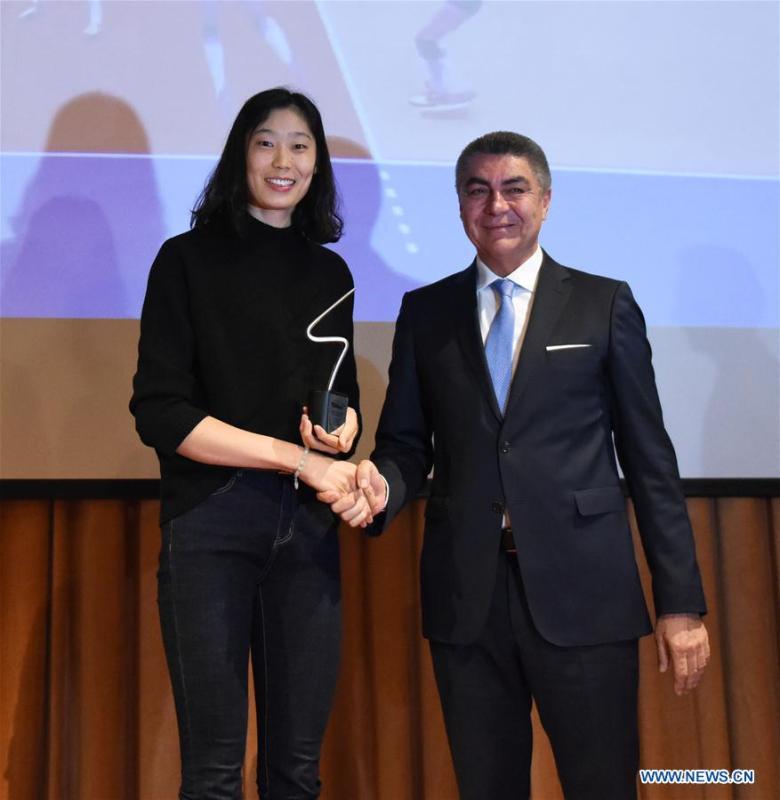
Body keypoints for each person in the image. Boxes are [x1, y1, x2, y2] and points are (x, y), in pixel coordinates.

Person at [323, 131, 711, 799]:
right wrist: (382, 485)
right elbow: (408, 444)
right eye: (477, 190)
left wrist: (681, 606)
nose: (495, 204)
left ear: (546, 201)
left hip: (585, 595)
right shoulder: (426, 313)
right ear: (460, 207)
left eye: (514, 188)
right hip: (468, 597)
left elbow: (651, 463)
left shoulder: (603, 304)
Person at [130, 88, 362, 799]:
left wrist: (341, 429)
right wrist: (295, 458)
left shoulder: (331, 272)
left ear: (317, 163)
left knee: (297, 772)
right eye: (266, 142)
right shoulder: (186, 261)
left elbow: (341, 396)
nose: (283, 160)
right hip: (212, 524)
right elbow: (162, 413)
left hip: (309, 535)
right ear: (241, 154)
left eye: (300, 144)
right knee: (213, 773)